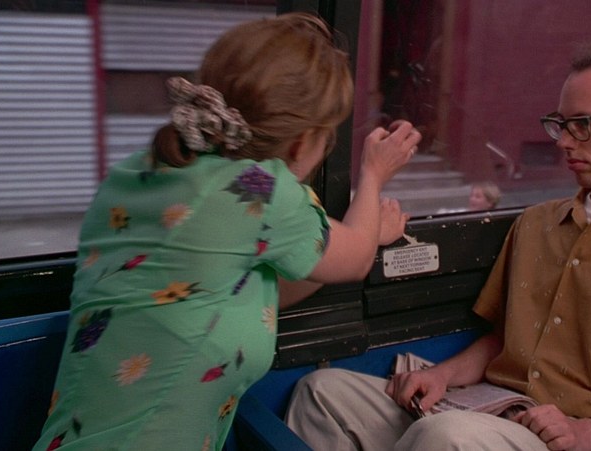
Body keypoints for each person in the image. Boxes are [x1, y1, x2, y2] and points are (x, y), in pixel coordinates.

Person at [285, 34, 591, 451]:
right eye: (560, 124)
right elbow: (501, 341)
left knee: (446, 438)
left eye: (582, 124)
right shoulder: (535, 224)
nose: (564, 141)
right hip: (495, 409)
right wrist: (441, 374)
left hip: (575, 435)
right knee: (323, 394)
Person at [32, 13, 421, 451]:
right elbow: (353, 259)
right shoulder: (260, 190)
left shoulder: (137, 173)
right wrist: (373, 176)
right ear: (302, 143)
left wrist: (364, 233)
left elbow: (254, 285)